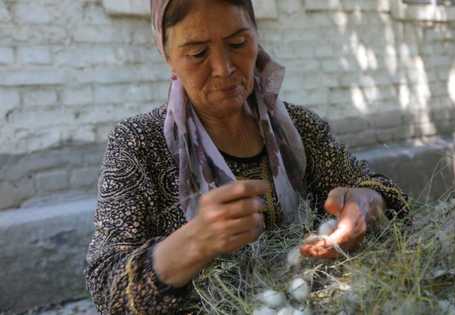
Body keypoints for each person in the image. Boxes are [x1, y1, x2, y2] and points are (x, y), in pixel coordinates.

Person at [85, 0, 409, 313]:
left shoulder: (300, 130)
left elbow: (385, 196)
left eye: (238, 43)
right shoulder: (139, 145)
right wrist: (194, 242)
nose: (223, 69)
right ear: (167, 54)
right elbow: (106, 287)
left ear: (256, 35)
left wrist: (367, 204)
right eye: (197, 52)